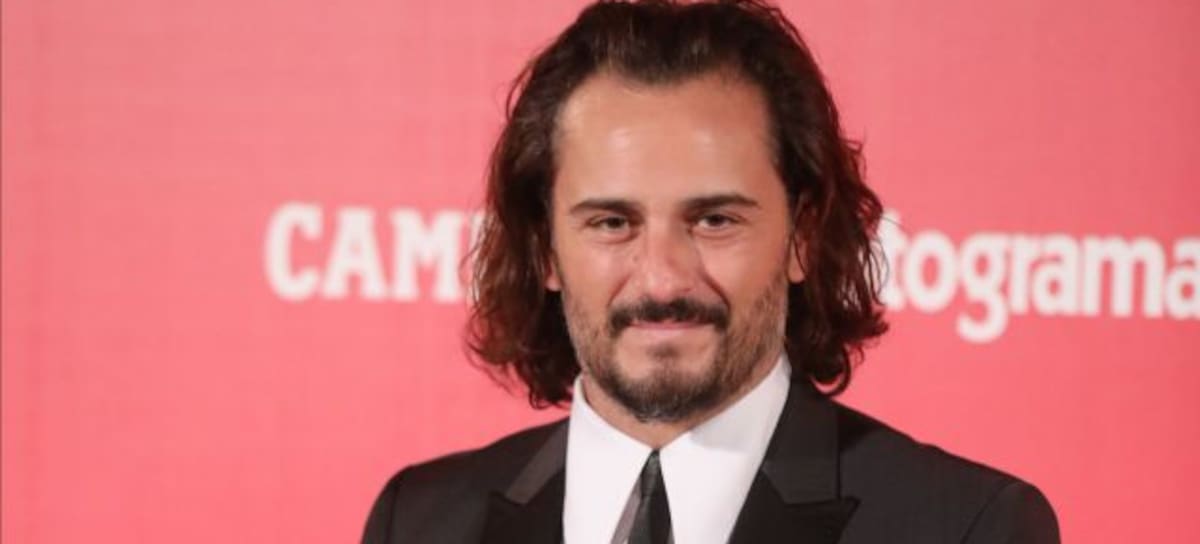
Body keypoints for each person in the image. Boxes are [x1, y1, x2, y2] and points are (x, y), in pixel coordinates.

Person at [362, 1, 1060, 542]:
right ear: (545, 247)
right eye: (612, 223)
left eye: (715, 220)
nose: (662, 280)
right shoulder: (418, 523)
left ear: (801, 237)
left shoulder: (966, 528)